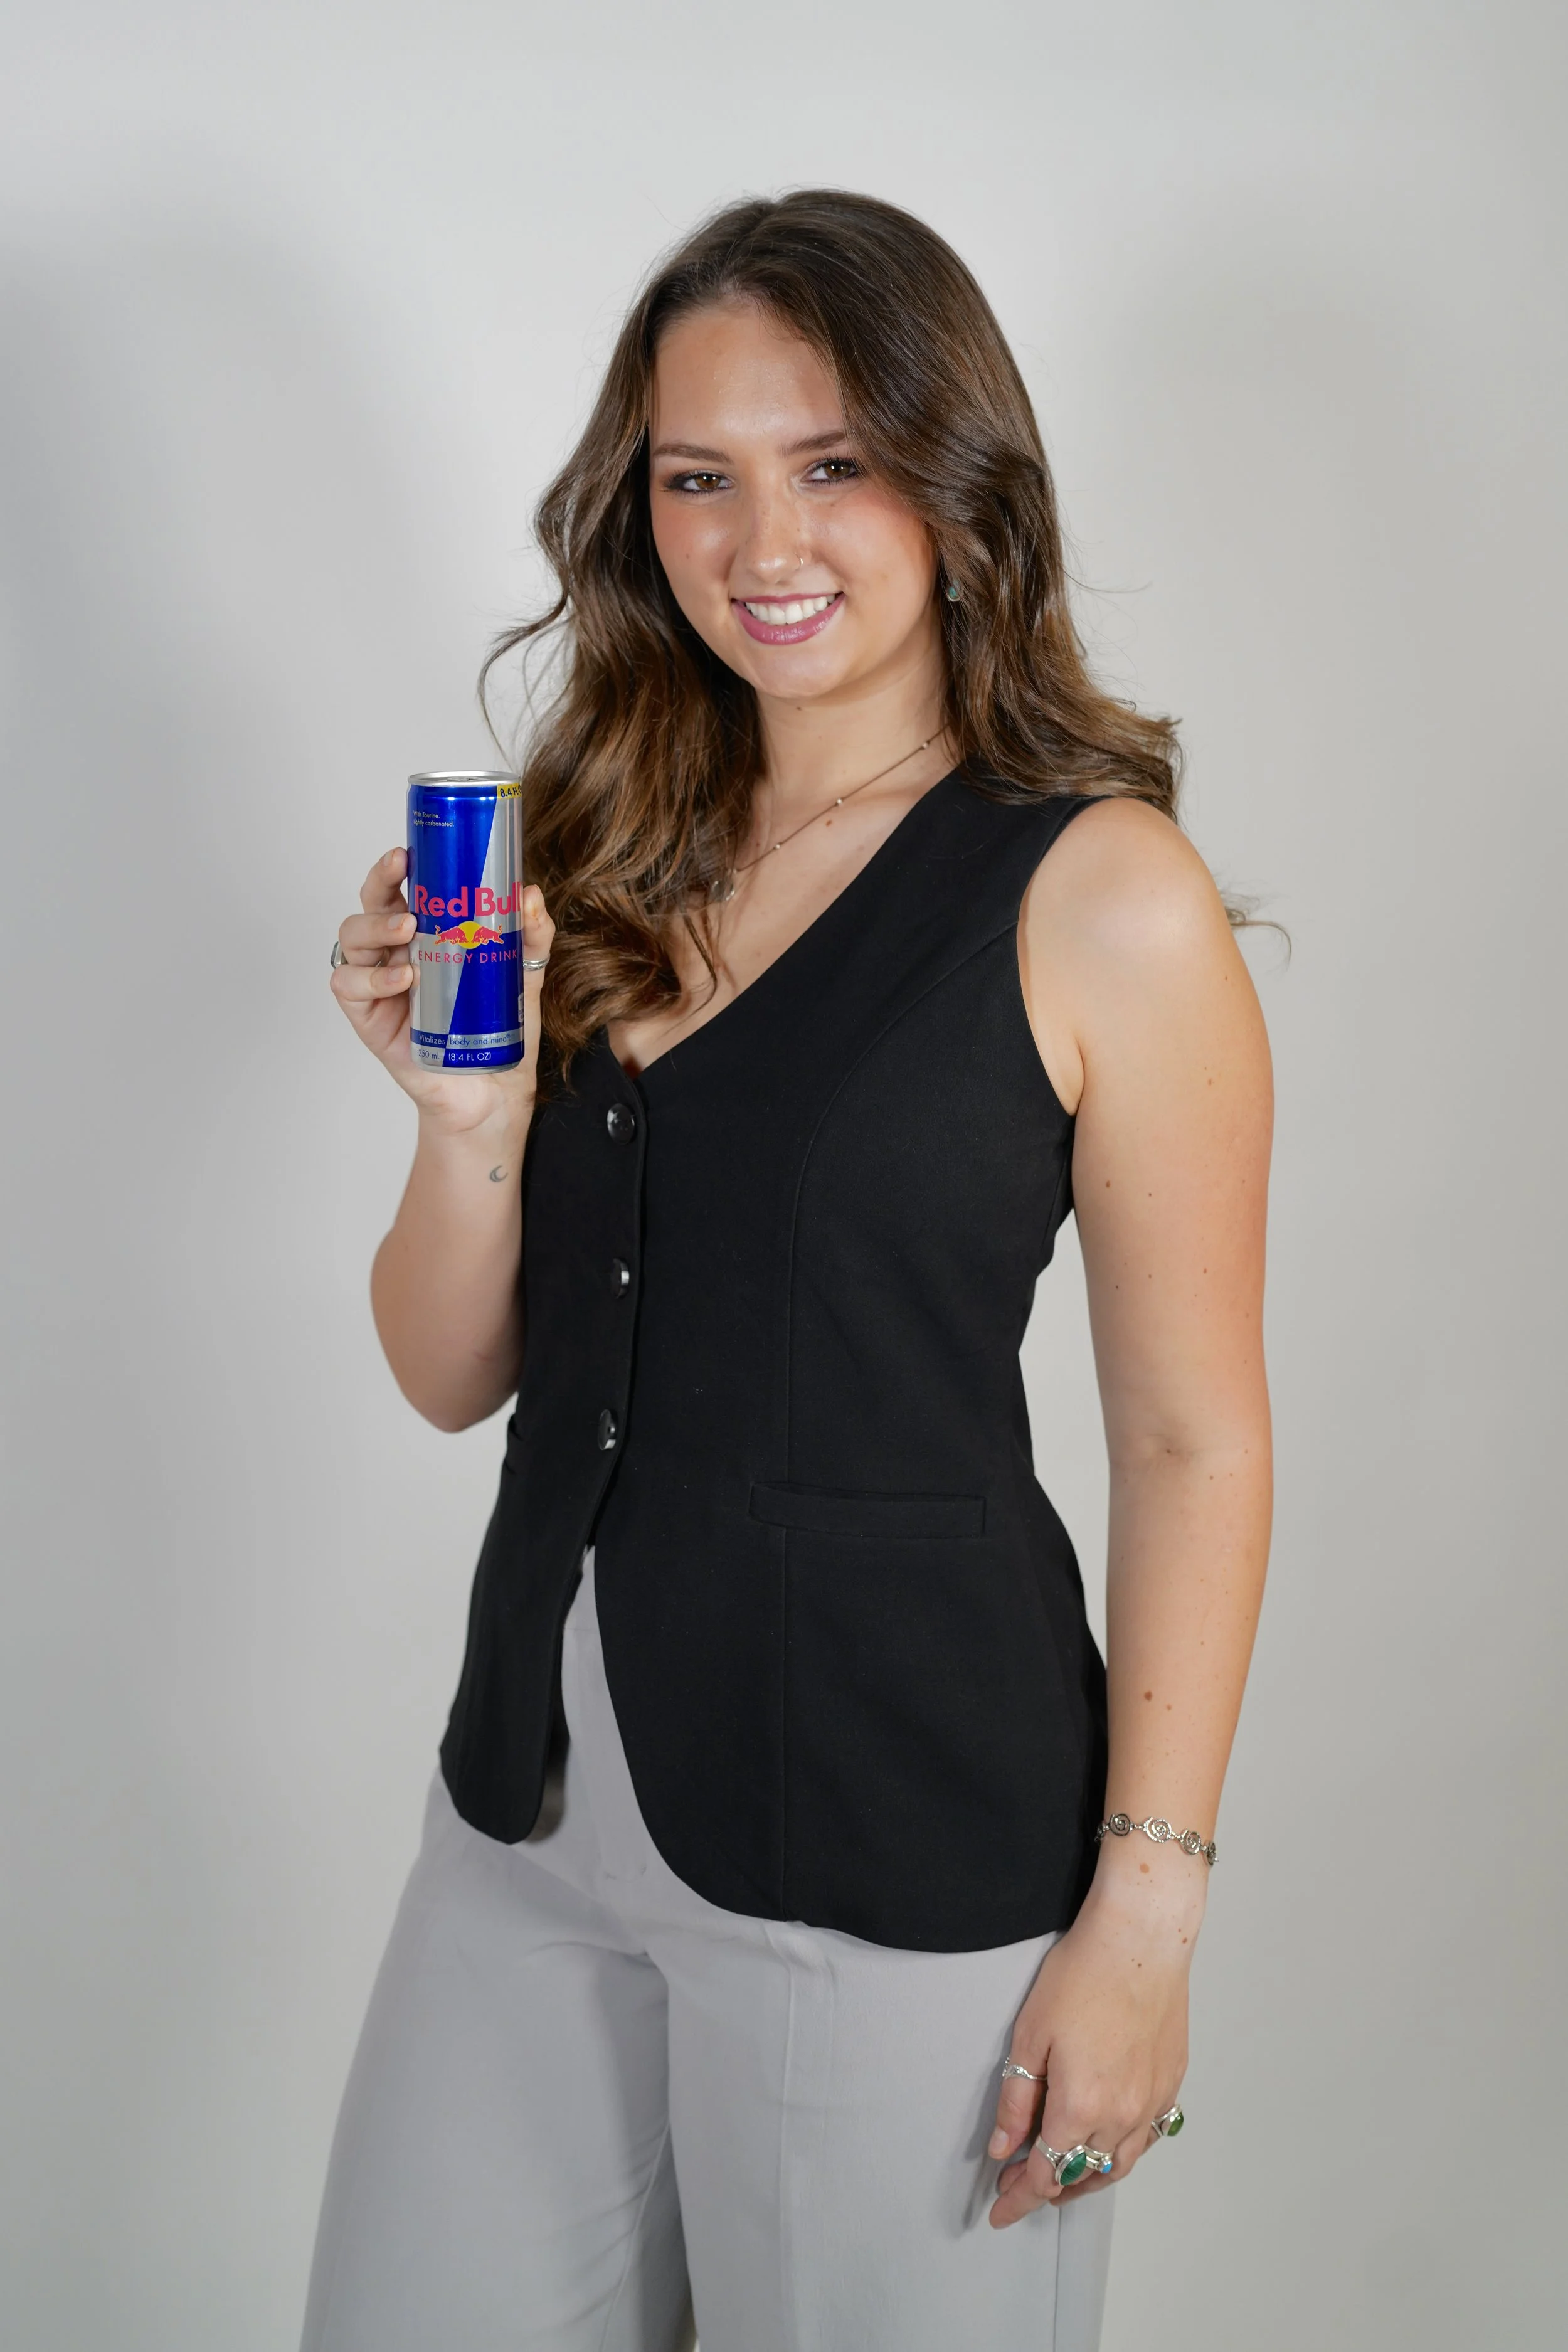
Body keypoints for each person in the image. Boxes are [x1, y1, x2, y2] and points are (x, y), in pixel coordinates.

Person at [305, 189, 1273, 2352]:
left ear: (953, 477)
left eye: (833, 462)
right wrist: (465, 1127)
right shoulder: (594, 841)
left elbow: (1190, 1438)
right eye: (699, 476)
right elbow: (451, 1374)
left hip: (895, 1842)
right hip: (534, 1810)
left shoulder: (1098, 892)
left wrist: (1145, 1916)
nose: (764, 541)